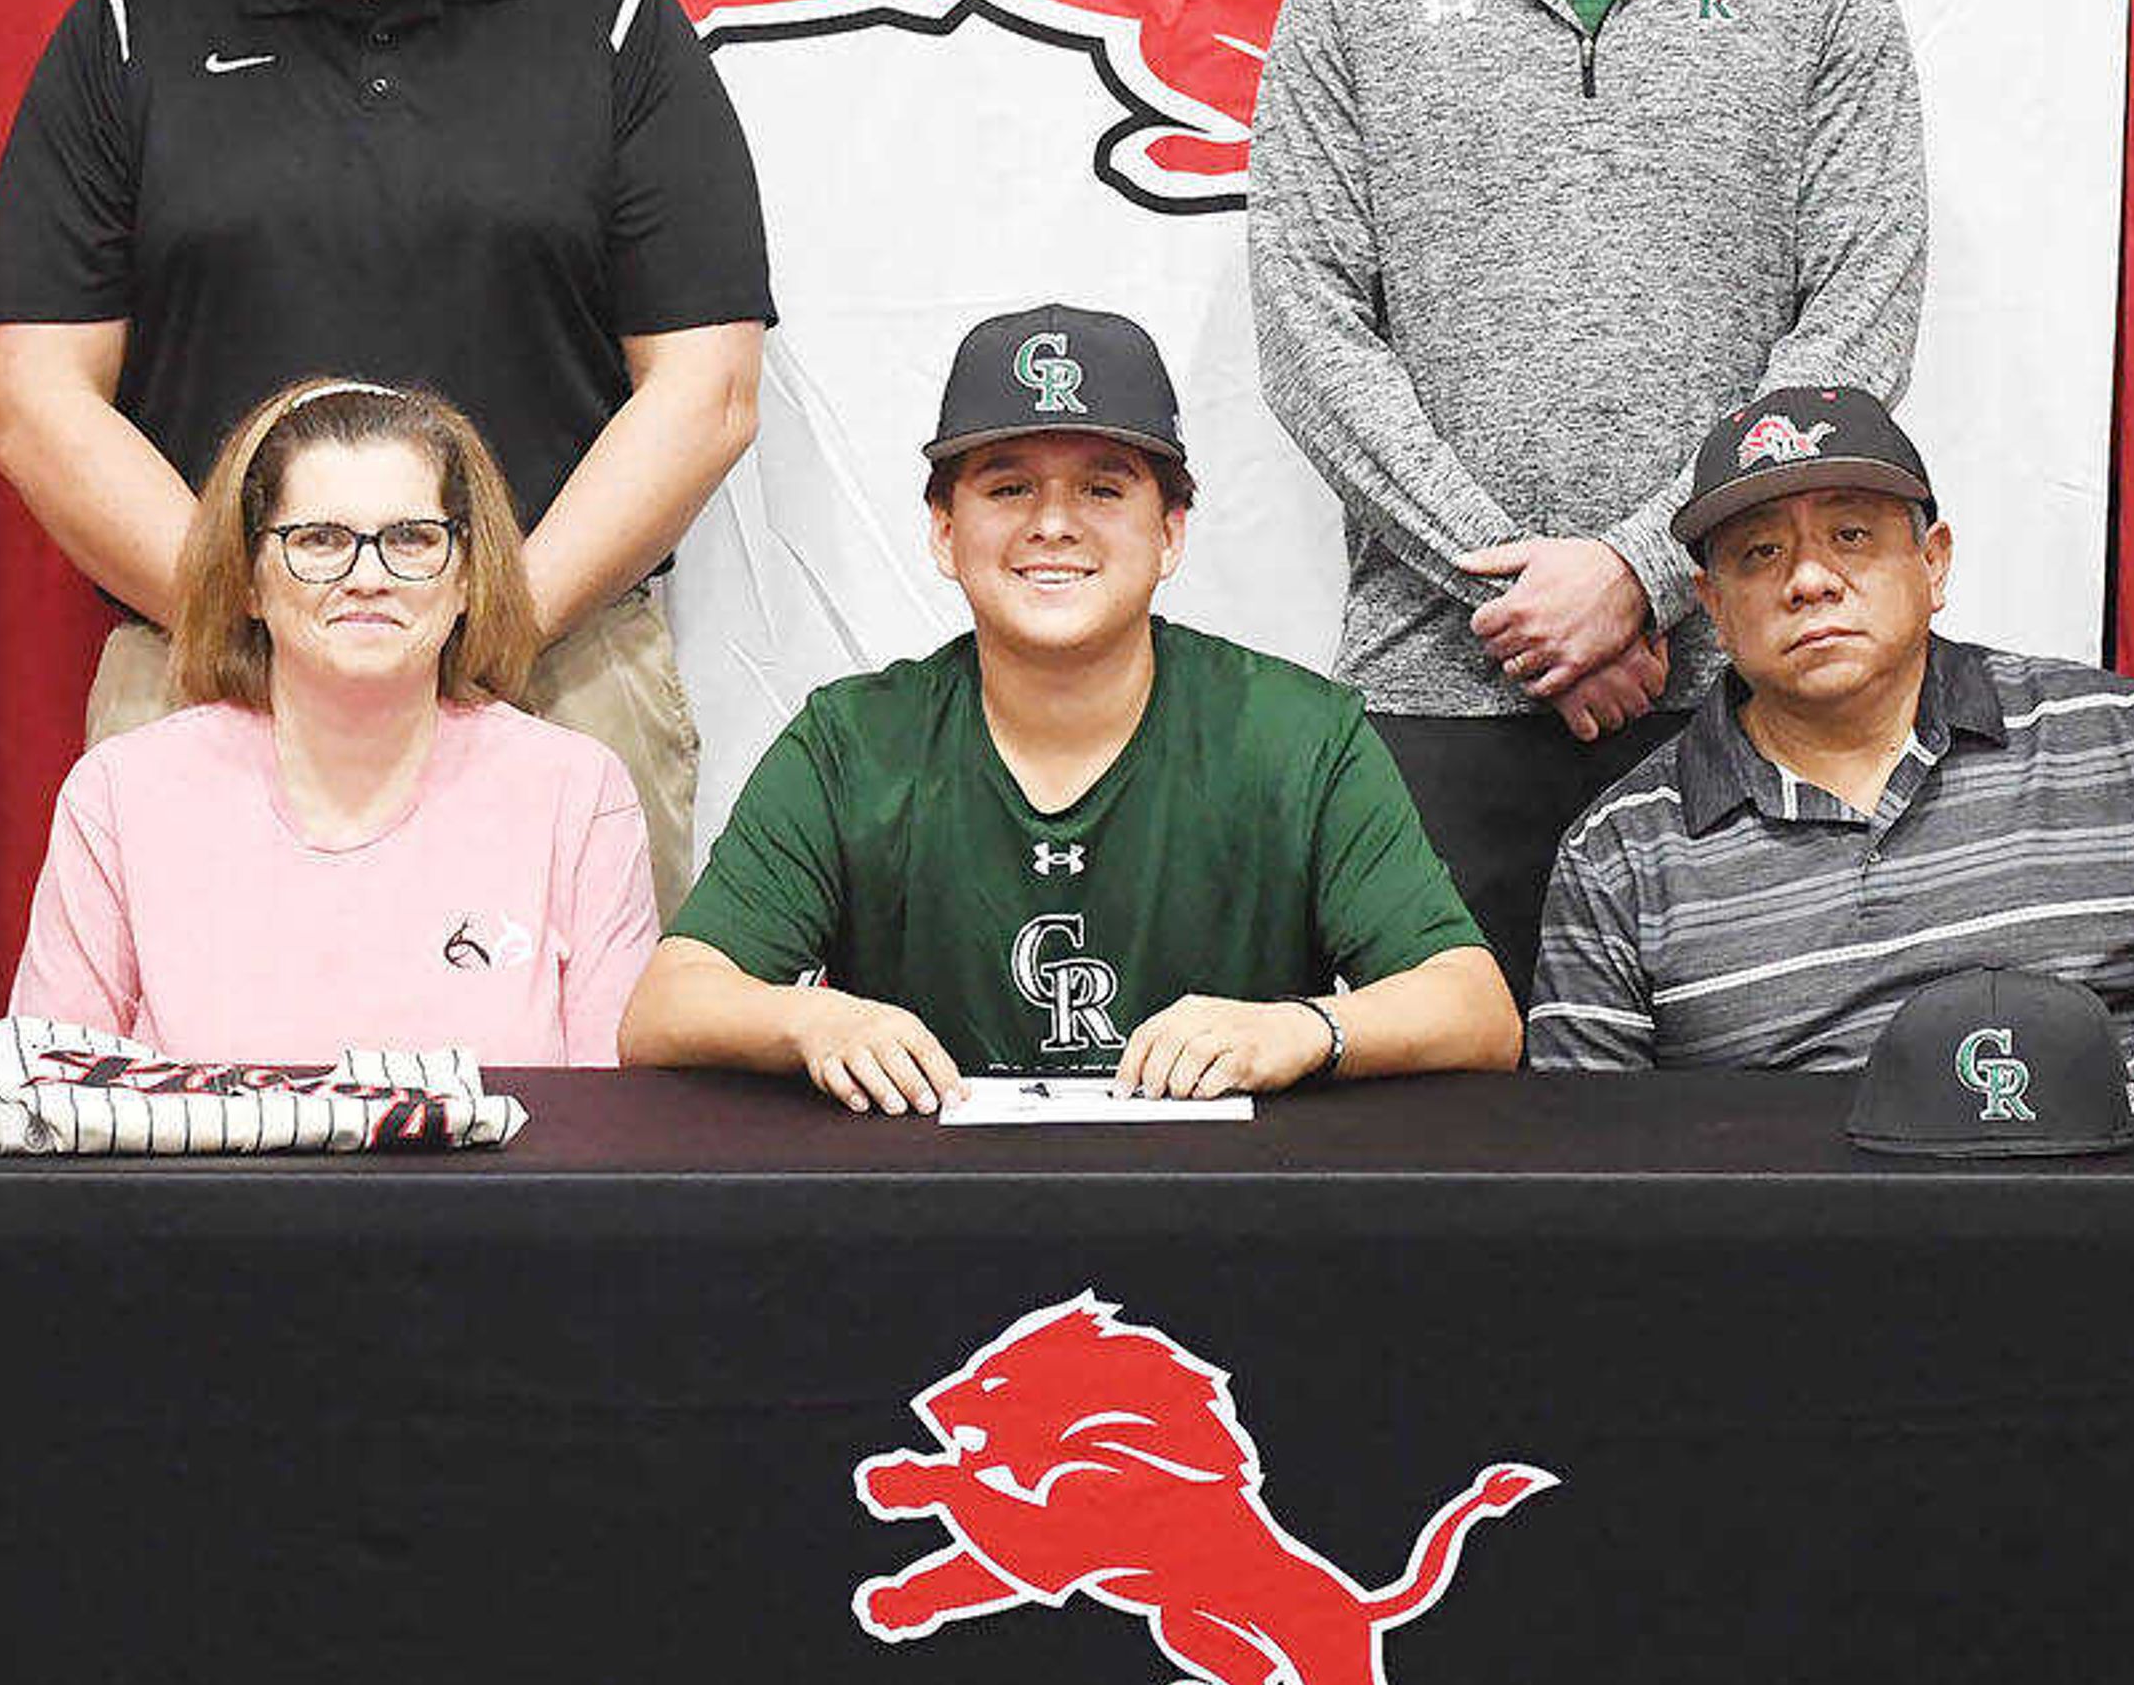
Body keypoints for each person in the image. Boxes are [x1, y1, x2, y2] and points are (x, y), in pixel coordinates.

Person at [0, 0, 770, 909]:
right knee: (182, 1106)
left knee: (593, 1122)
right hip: (208, 679)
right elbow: (36, 404)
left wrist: (483, 626)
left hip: (555, 683)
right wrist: (275, 621)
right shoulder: (124, 35)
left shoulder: (619, 25)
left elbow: (708, 391)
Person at [1249, 0, 1930, 984]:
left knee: (1746, 1167)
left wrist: (1642, 573)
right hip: (1436, 701)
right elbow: (1309, 330)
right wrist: (1527, 597)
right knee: (1434, 1178)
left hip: (1755, 681)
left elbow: (1858, 320)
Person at [619, 308, 1518, 1110]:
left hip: (1220, 1218)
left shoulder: (1296, 733)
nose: (1053, 523)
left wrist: (1303, 1028)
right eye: (1009, 488)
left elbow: (1474, 1006)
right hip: (929, 1222)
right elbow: (667, 1006)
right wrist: (809, 1020)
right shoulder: (853, 740)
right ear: (943, 529)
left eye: (1103, 487)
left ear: (1170, 531)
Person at [1529, 386, 2134, 1071]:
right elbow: (1584, 1172)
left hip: (2110, 1289)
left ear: (1933, 565)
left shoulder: (2112, 741)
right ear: (1713, 610)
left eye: (1851, 536)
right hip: (1787, 1305)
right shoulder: (1621, 852)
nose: (1809, 579)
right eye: (1760, 554)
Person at [9, 377, 656, 1064]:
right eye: (319, 539)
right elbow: (50, 1105)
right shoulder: (120, 793)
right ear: (250, 578)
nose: (368, 575)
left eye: (411, 537)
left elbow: (613, 1130)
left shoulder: (578, 792)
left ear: (468, 575)